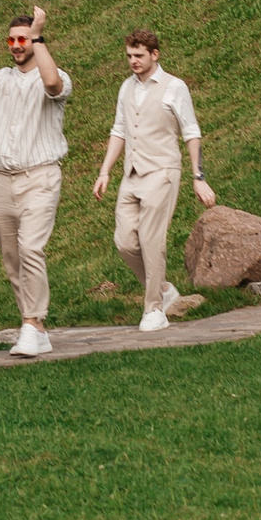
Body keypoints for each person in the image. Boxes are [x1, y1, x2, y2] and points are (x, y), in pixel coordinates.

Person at [0, 2, 71, 358]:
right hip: (2, 181)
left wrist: (39, 36)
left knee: (31, 249)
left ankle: (32, 323)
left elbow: (52, 83)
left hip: (40, 176)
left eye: (23, 39)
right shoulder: (2, 79)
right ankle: (34, 326)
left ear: (35, 41)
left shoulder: (56, 75)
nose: (17, 45)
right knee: (12, 259)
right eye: (12, 40)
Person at [92, 29, 215, 331]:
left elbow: (191, 132)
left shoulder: (175, 87)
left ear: (154, 54)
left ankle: (154, 310)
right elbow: (119, 129)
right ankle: (162, 289)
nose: (133, 61)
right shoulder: (126, 87)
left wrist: (197, 176)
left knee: (151, 239)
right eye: (129, 56)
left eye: (139, 56)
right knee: (124, 241)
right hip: (132, 175)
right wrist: (105, 171)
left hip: (163, 172)